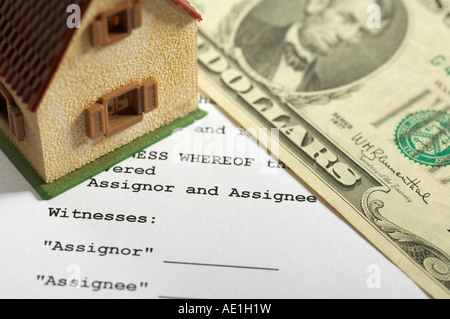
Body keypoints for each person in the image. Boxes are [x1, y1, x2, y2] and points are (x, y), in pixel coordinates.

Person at [235, 0, 394, 92]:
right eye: (347, 19)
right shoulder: (243, 30)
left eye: (361, 32)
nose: (346, 36)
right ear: (317, 3)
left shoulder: (315, 88)